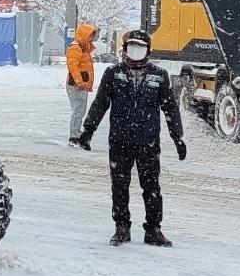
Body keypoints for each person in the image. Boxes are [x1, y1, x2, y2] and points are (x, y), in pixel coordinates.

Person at [78, 29, 186, 246]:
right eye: (132, 46)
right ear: (125, 49)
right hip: (120, 140)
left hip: (148, 142)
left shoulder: (159, 75)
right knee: (119, 186)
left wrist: (178, 138)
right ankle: (121, 227)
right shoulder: (113, 73)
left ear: (148, 50)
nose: (136, 51)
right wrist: (88, 130)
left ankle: (153, 230)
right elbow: (100, 104)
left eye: (141, 47)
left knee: (152, 187)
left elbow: (170, 109)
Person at [64, 22, 96, 147]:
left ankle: (76, 133)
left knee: (80, 110)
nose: (92, 39)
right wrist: (79, 81)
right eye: (90, 36)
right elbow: (73, 66)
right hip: (77, 85)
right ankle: (74, 137)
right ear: (84, 35)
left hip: (81, 84)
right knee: (78, 110)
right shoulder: (76, 48)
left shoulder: (83, 48)